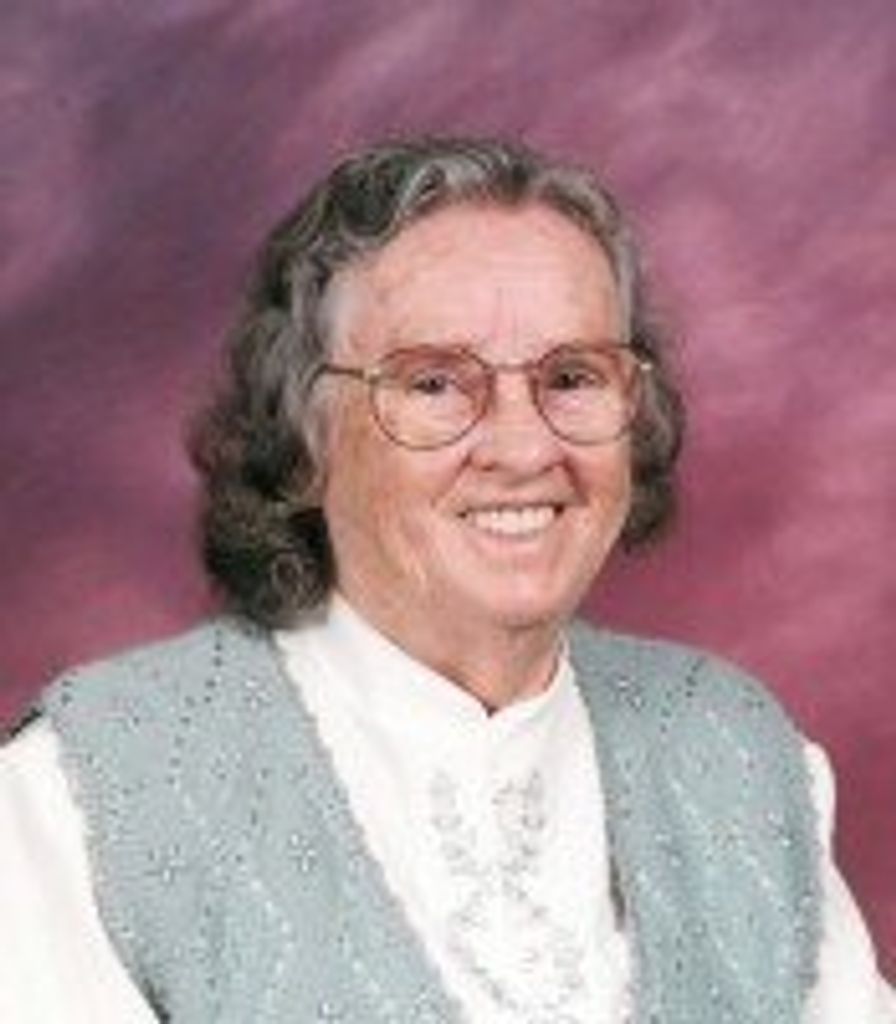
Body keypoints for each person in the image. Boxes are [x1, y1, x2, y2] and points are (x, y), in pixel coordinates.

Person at [1, 136, 893, 1023]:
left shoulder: (740, 755)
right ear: (304, 441)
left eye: (572, 376)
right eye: (434, 383)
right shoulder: (77, 803)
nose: (523, 447)